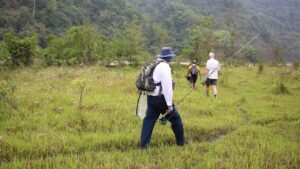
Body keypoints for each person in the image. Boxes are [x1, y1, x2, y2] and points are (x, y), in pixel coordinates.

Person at [140, 47, 185, 149]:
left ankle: (143, 146)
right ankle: (181, 143)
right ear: (169, 57)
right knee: (176, 120)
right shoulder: (165, 67)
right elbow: (167, 87)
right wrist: (169, 105)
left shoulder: (156, 64)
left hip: (151, 97)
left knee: (149, 121)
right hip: (161, 99)